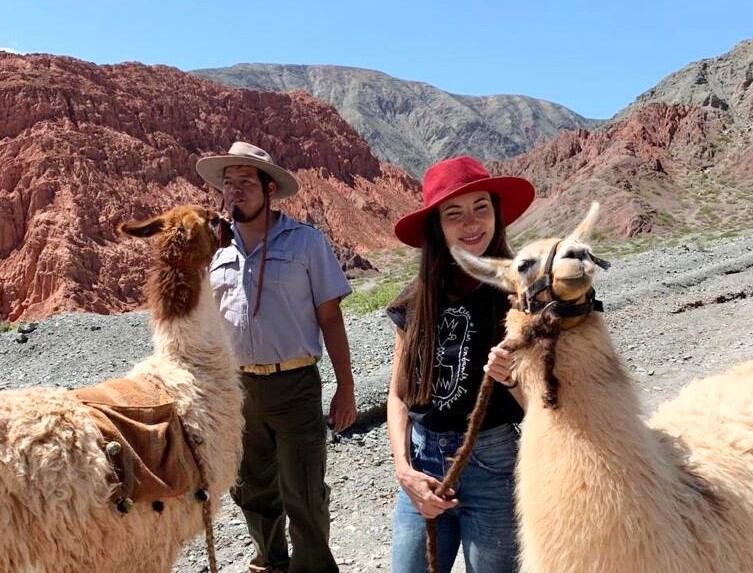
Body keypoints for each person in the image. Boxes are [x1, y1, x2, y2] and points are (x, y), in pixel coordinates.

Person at [196, 142, 357, 573]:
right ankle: (270, 562)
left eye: (246, 182)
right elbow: (204, 326)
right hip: (238, 390)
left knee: (303, 492)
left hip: (295, 385)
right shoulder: (214, 253)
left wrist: (346, 386)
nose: (236, 192)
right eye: (229, 184)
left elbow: (330, 316)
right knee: (252, 489)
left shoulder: (305, 242)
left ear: (270, 189)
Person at [386, 155, 535, 573]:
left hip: (494, 464)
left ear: (496, 214)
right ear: (437, 225)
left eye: (481, 208)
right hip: (423, 465)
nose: (471, 224)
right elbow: (398, 396)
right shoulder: (415, 301)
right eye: (455, 214)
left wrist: (512, 382)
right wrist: (404, 471)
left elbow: (546, 408)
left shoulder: (522, 296)